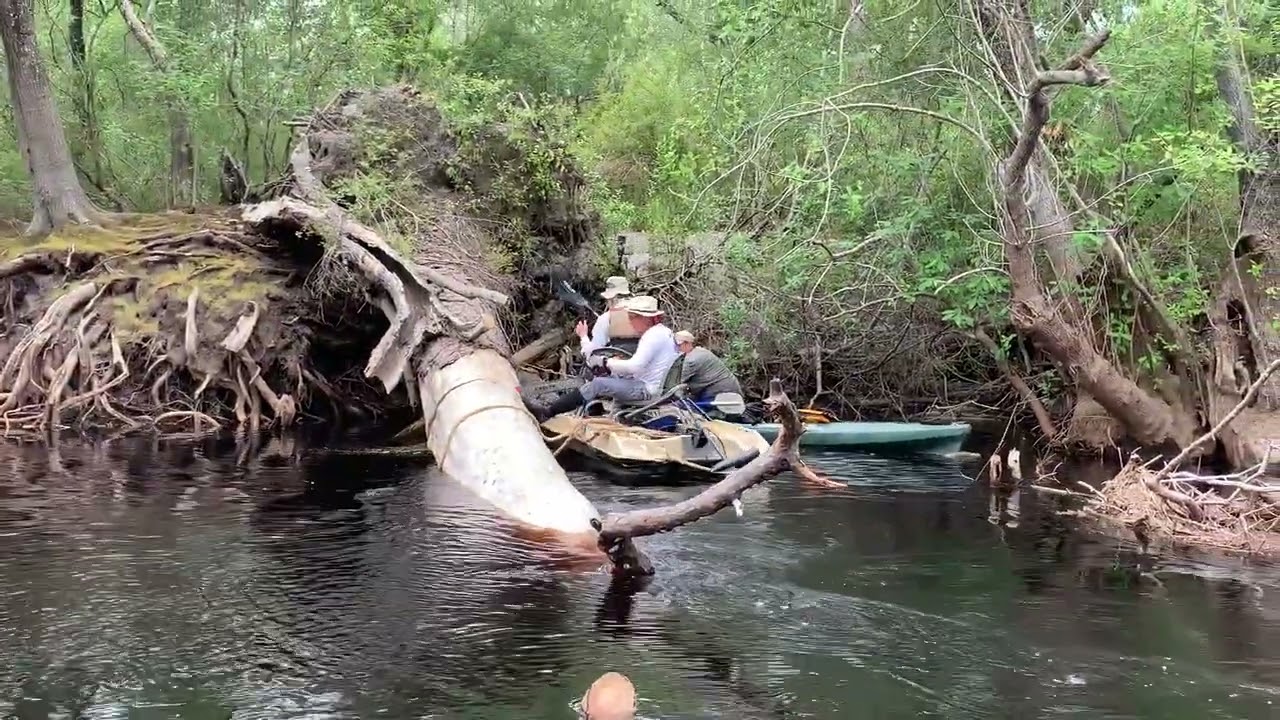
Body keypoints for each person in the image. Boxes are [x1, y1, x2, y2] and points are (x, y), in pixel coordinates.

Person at [526, 296, 679, 420]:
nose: (630, 321)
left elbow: (634, 366)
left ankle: (548, 413)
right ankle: (606, 414)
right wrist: (616, 365)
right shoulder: (664, 332)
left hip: (647, 390)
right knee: (612, 378)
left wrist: (606, 362)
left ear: (646, 318)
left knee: (598, 384)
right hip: (654, 386)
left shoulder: (652, 336)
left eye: (633, 317)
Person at [578, 276, 639, 362]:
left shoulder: (605, 319)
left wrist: (583, 337)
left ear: (611, 299)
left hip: (618, 368)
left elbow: (593, 353)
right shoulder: (644, 313)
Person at [673, 330, 743, 401]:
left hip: (721, 392)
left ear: (686, 343)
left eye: (678, 345)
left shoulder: (691, 360)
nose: (677, 348)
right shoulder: (701, 351)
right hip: (730, 388)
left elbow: (677, 383)